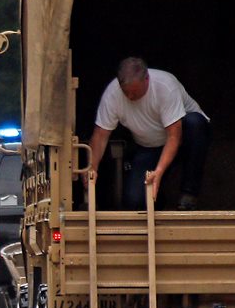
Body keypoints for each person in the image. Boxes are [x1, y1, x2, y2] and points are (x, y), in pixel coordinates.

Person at [88, 57, 211, 210]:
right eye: (126, 93)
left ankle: (188, 195)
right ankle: (157, 203)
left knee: (195, 123)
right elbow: (100, 136)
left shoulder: (165, 86)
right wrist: (91, 169)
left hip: (182, 140)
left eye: (134, 92)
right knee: (134, 201)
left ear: (147, 79)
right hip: (149, 146)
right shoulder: (112, 93)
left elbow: (174, 136)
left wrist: (158, 172)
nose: (131, 97)